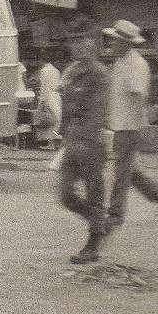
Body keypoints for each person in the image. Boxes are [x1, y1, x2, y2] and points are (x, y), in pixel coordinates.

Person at [103, 19, 158, 233]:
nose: (111, 44)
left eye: (115, 40)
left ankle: (115, 216)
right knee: (127, 170)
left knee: (121, 172)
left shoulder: (136, 64)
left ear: (125, 43)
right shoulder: (121, 62)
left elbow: (139, 96)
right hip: (119, 124)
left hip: (129, 126)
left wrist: (136, 125)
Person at [57, 25, 111, 264]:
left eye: (83, 41)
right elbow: (65, 104)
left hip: (92, 142)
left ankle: (93, 245)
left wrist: (85, 140)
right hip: (71, 139)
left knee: (94, 193)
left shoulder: (100, 74)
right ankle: (101, 222)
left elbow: (98, 112)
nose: (77, 46)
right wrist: (63, 133)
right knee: (66, 195)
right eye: (73, 41)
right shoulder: (70, 71)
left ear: (93, 44)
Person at [32, 49, 63, 150]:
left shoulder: (44, 71)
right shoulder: (56, 70)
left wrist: (41, 102)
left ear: (41, 60)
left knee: (50, 121)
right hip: (57, 96)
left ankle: (50, 143)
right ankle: (55, 143)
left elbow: (44, 88)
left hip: (48, 97)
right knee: (56, 120)